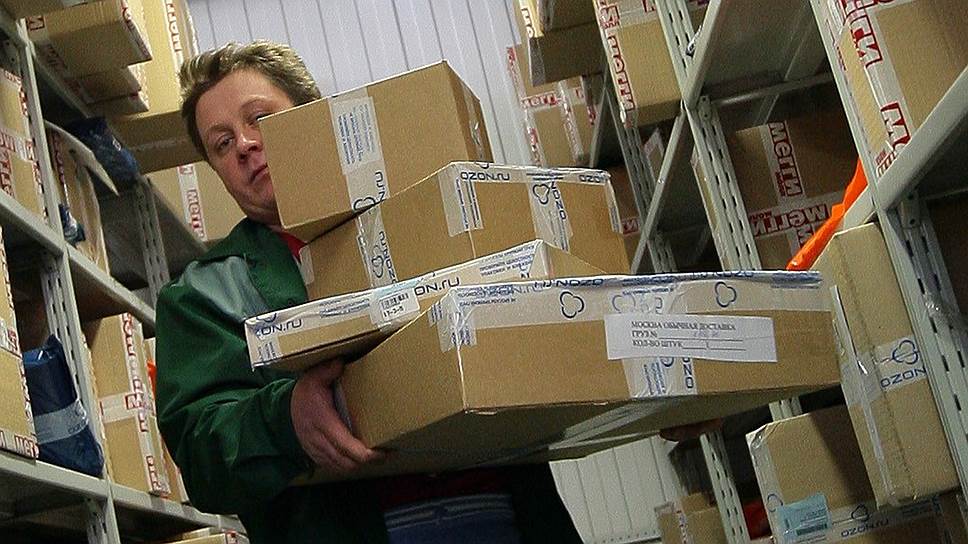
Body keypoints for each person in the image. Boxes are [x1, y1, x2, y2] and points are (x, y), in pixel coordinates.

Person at [155, 40, 586, 543]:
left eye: (261, 119)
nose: (245, 145)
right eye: (222, 143)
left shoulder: (431, 216)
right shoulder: (203, 294)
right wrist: (284, 419)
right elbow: (200, 457)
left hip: (507, 518)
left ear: (313, 116)